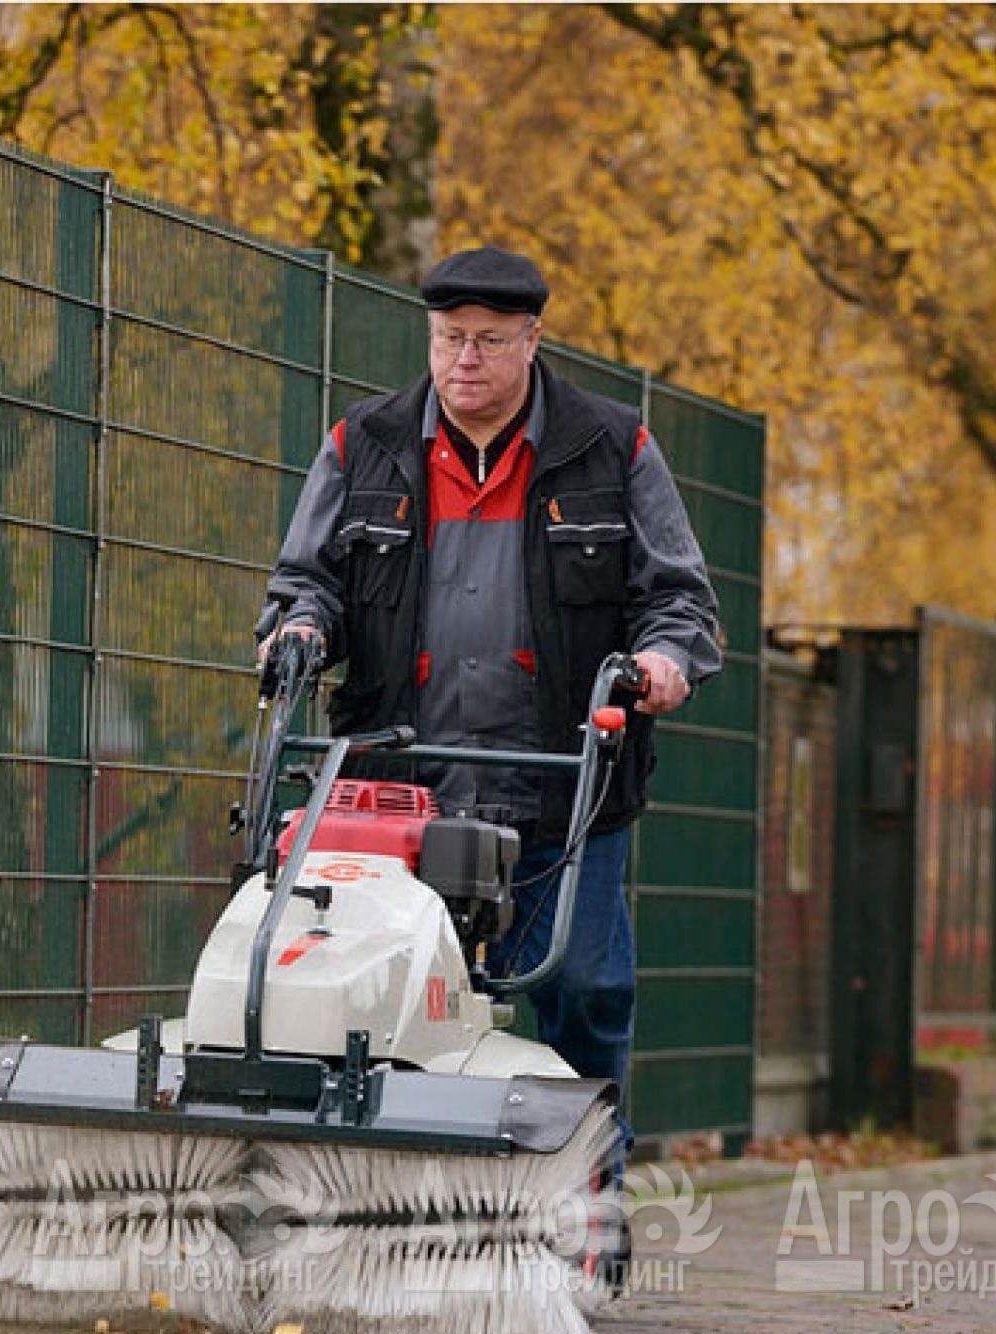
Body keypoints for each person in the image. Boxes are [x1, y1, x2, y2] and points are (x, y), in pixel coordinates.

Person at [257, 244, 721, 1152]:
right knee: (365, 999)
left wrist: (665, 658)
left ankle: (588, 1183)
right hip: (399, 788)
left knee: (582, 989)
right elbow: (306, 581)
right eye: (449, 338)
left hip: (560, 786)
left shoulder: (610, 447)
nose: (464, 359)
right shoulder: (365, 444)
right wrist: (297, 629)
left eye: (488, 341)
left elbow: (680, 597)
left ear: (532, 340)